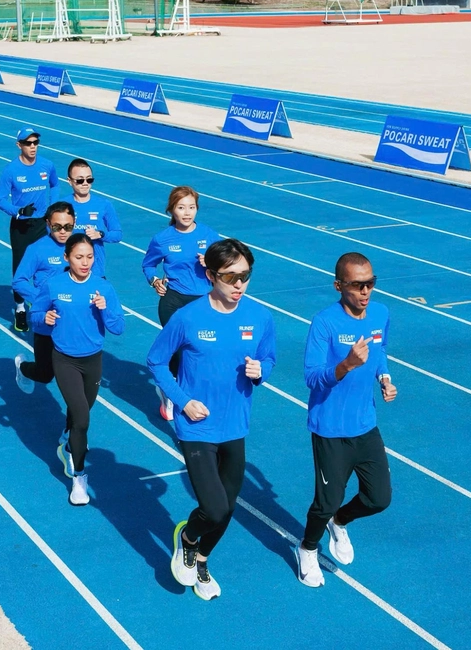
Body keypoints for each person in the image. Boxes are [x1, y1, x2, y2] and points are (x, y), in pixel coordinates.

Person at [147, 238, 276, 601]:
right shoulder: (187, 318)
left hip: (235, 425)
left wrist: (260, 370)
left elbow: (269, 359)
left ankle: (201, 558)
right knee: (215, 507)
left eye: (245, 276)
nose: (238, 285)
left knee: (228, 507)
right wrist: (183, 402)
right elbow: (156, 361)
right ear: (210, 275)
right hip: (197, 426)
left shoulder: (260, 317)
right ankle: (186, 537)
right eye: (230, 277)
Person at [295, 252, 397, 589]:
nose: (366, 291)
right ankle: (307, 548)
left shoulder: (380, 313)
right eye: (357, 285)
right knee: (325, 502)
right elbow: (311, 377)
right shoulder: (325, 323)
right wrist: (347, 365)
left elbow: (379, 351)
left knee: (379, 497)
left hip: (365, 424)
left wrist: (384, 377)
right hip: (330, 429)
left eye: (370, 283)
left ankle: (340, 522)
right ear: (339, 286)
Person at [31, 234, 125, 506]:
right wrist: (45, 319)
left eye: (90, 257)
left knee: (80, 412)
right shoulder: (54, 285)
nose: (85, 262)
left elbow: (118, 328)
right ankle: (80, 477)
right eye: (79, 257)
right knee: (82, 419)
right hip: (64, 360)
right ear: (66, 258)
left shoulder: (103, 288)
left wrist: (105, 310)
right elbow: (35, 317)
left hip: (93, 360)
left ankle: (69, 444)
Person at [142, 186, 220, 421]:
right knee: (177, 349)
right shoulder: (163, 239)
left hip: (203, 302)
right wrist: (154, 281)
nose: (187, 212)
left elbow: (225, 267)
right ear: (171, 210)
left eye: (192, 207)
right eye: (181, 207)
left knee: (199, 351)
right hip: (173, 301)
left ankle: (177, 390)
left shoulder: (209, 235)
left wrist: (210, 263)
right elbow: (148, 265)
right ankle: (173, 392)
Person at [0, 127, 59, 332]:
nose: (32, 147)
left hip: (43, 224)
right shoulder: (11, 170)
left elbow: (55, 184)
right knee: (21, 268)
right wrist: (19, 210)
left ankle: (45, 303)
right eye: (28, 143)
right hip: (21, 226)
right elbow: (0, 200)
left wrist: (53, 207)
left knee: (47, 263)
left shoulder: (47, 165)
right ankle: (21, 308)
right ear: (19, 145)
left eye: (35, 143)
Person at [13, 201, 75, 395]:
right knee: (46, 374)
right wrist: (41, 299)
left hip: (73, 318)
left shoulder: (79, 246)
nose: (63, 231)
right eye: (57, 226)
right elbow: (19, 281)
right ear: (48, 223)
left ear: (74, 222)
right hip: (46, 320)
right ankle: (22, 368)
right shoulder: (37, 249)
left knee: (74, 374)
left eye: (68, 226)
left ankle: (74, 421)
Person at [66, 158, 122, 279]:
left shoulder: (104, 204)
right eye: (80, 180)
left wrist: (100, 234)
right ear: (69, 181)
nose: (85, 183)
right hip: (68, 272)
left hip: (96, 272)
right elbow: (51, 234)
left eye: (89, 179)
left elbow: (117, 234)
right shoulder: (62, 206)